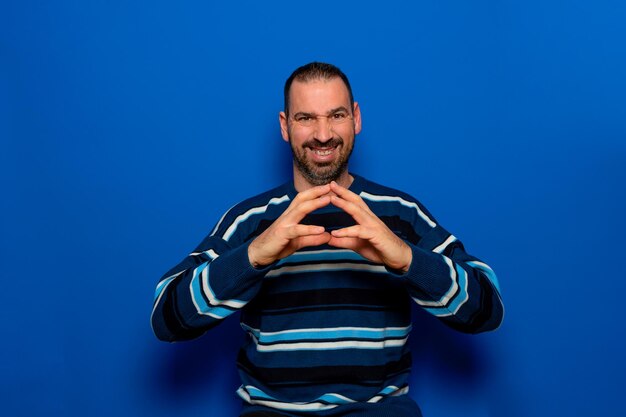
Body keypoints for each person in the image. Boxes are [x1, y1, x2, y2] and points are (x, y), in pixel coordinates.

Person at [151, 62, 504, 417]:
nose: (323, 134)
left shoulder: (400, 213)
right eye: (305, 118)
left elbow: (487, 309)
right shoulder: (251, 220)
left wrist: (406, 258)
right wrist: (254, 256)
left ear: (356, 119)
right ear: (285, 126)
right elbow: (166, 318)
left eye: (336, 115)